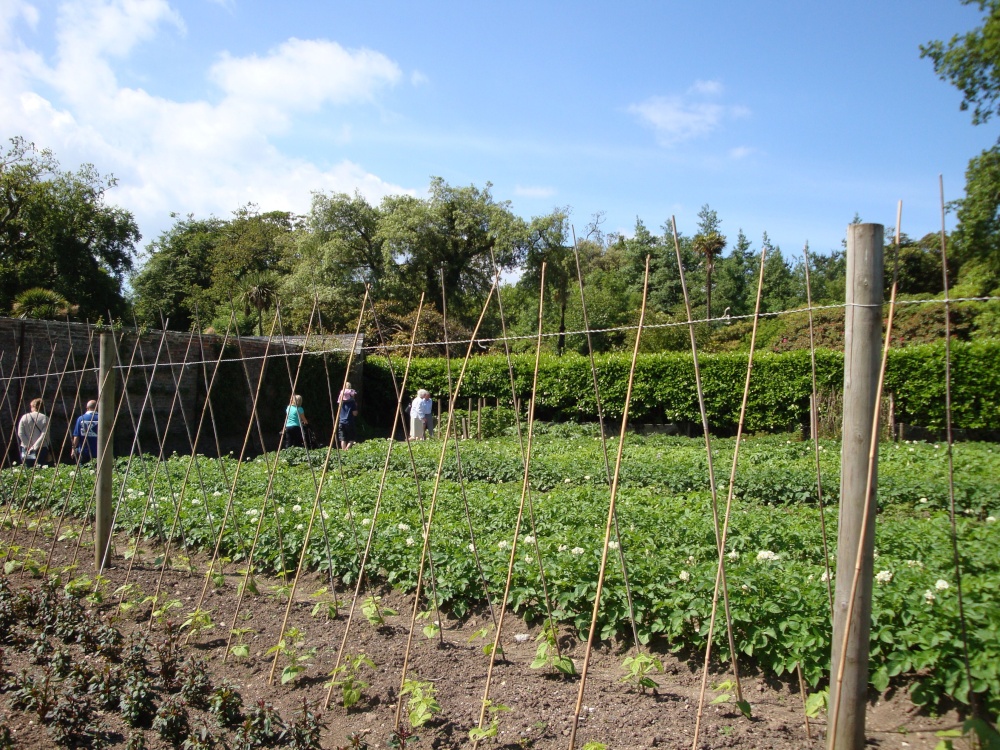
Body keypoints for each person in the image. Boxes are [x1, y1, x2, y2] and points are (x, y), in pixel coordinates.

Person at [18, 398, 51, 467]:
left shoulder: (24, 417)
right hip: (41, 448)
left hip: (26, 447)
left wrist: (29, 445)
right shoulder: (45, 418)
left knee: (28, 468)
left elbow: (20, 433)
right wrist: (34, 447)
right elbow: (44, 434)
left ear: (33, 406)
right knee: (40, 469)